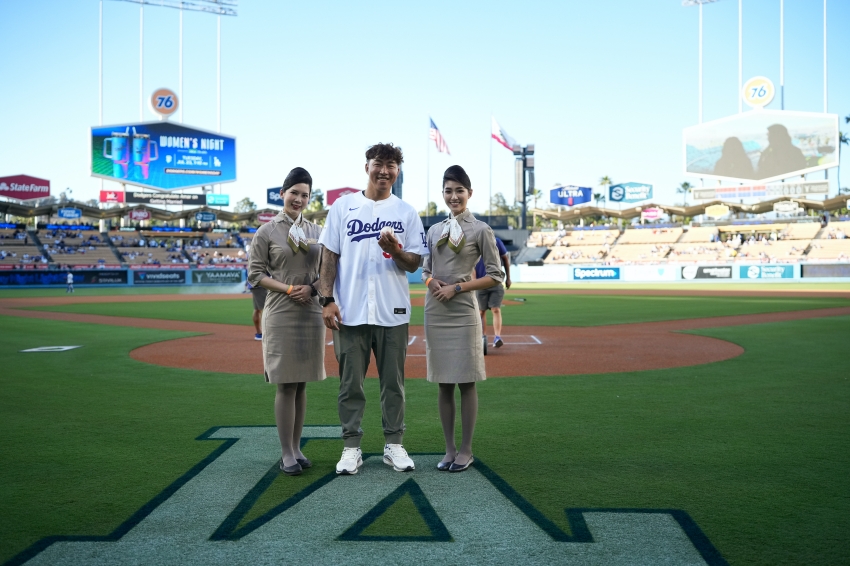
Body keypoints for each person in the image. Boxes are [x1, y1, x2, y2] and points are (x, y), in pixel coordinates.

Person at [318, 143, 426, 475]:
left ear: (398, 171)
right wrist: (326, 299)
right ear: (367, 166)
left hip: (392, 311)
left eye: (392, 165)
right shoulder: (342, 207)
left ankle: (394, 444)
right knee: (350, 383)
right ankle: (351, 448)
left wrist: (395, 249)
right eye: (379, 163)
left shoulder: (406, 211)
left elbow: (415, 263)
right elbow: (329, 257)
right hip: (350, 311)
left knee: (393, 383)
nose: (385, 170)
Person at [423, 165, 503, 473]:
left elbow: (496, 275)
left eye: (459, 190)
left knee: (467, 382)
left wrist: (457, 287)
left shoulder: (481, 230)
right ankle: (449, 449)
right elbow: (426, 271)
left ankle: (466, 450)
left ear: (469, 193)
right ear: (442, 194)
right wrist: (433, 285)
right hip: (436, 308)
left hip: (464, 310)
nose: (453, 196)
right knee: (443, 384)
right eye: (448, 190)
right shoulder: (433, 231)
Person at [248, 167, 325, 476]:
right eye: (294, 192)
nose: (299, 199)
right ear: (282, 194)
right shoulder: (266, 232)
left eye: (305, 195)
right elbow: (255, 274)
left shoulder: (318, 232)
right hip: (280, 311)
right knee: (285, 384)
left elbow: (329, 270)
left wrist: (313, 288)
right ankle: (286, 453)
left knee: (302, 383)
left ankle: (296, 447)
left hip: (311, 311)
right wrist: (289, 288)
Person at [474, 236, 511, 348]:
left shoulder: (496, 241)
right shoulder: (474, 243)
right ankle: (482, 337)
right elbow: (470, 265)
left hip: (496, 281)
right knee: (481, 311)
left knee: (495, 309)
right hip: (480, 283)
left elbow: (505, 258)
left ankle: (497, 337)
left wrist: (508, 278)